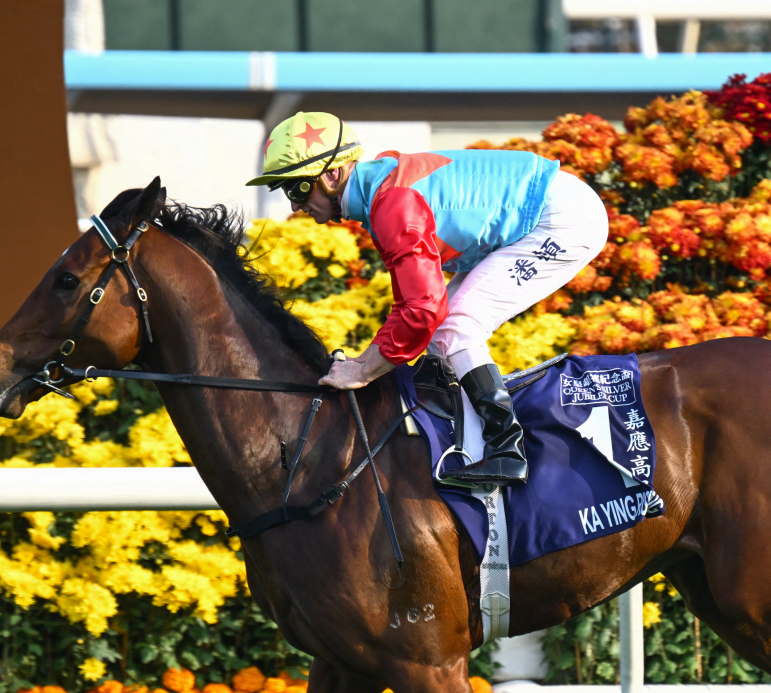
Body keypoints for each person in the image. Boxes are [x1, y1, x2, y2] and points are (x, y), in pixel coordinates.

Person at [248, 112, 608, 485]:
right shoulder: (381, 193)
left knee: (458, 326)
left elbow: (423, 308)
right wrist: (367, 361)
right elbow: (411, 305)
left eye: (296, 190)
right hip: (548, 208)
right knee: (442, 334)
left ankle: (508, 450)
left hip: (562, 219)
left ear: (332, 175)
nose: (294, 206)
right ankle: (462, 442)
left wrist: (364, 370)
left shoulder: (392, 202)